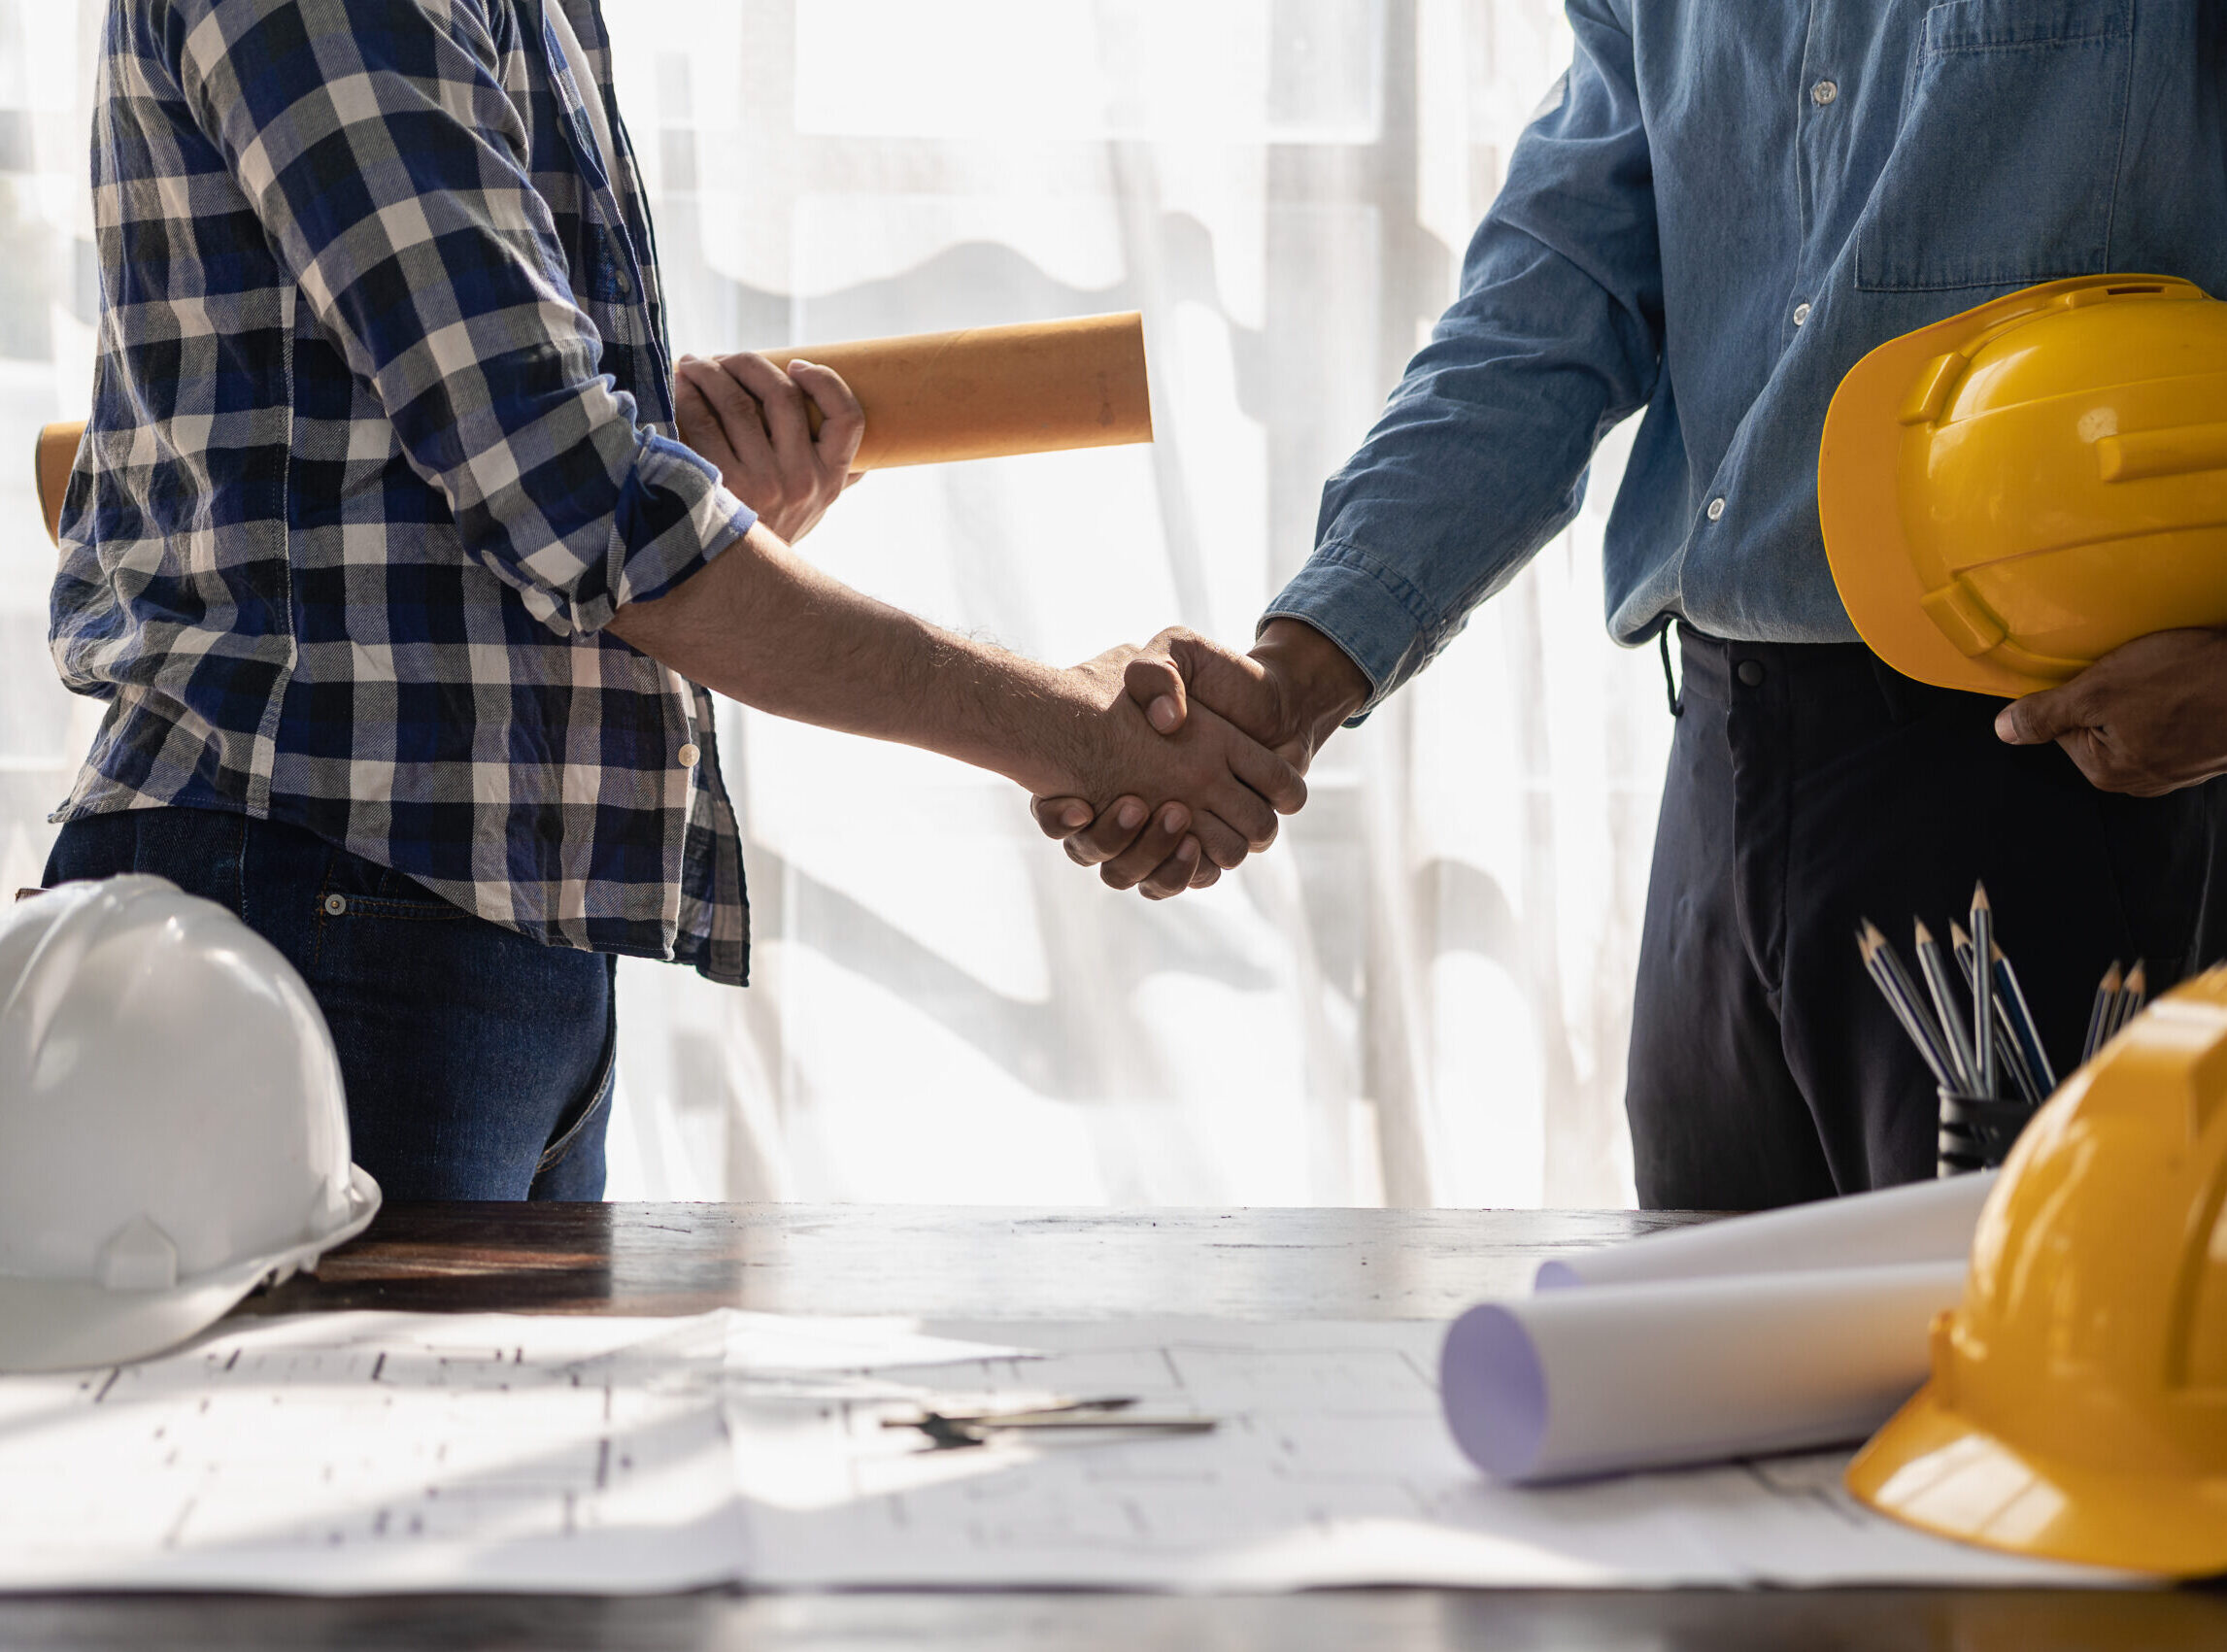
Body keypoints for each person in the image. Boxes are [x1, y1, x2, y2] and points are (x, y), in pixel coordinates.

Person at [45, 0, 1300, 1200]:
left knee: (500, 1423)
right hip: (306, 906)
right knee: (324, 1428)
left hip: (485, 929)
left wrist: (705, 501)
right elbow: (571, 495)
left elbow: (514, 492)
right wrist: (1071, 728)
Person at [1039, 2, 2227, 1208]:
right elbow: (1551, 303)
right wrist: (1302, 670)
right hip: (1724, 765)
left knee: (2034, 1371)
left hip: (2072, 766)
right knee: (1708, 1368)